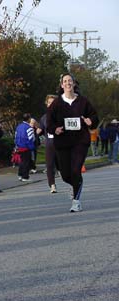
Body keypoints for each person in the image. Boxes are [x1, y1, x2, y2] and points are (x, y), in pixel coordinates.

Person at [47, 73, 98, 212]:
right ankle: (75, 185)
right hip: (63, 142)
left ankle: (76, 201)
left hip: (80, 141)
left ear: (74, 84)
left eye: (70, 81)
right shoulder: (56, 103)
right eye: (65, 81)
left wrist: (90, 121)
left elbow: (94, 116)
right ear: (62, 85)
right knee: (65, 174)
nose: (68, 83)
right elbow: (49, 122)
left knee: (76, 170)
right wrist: (55, 129)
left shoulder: (83, 101)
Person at [39, 95, 58, 193]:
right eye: (49, 102)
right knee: (50, 165)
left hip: (61, 144)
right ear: (47, 104)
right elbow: (41, 130)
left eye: (53, 102)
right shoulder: (44, 118)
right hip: (50, 144)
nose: (51, 104)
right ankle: (52, 185)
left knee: (63, 165)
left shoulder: (62, 115)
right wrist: (36, 130)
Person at [15, 113, 35, 182]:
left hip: (19, 147)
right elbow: (31, 139)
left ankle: (20, 175)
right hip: (26, 147)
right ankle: (25, 177)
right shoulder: (29, 128)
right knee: (26, 162)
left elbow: (16, 137)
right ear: (29, 119)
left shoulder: (18, 127)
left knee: (21, 162)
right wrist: (31, 147)